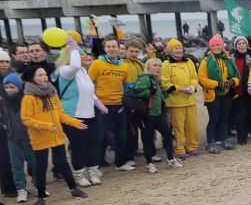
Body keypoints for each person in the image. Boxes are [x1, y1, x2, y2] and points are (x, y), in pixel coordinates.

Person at [19, 65, 88, 205]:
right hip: (40, 138)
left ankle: (73, 189)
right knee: (41, 167)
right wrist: (46, 126)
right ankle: (41, 196)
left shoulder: (52, 93)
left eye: (45, 74)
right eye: (40, 75)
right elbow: (26, 119)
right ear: (32, 78)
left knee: (63, 163)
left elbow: (60, 114)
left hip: (56, 135)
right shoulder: (29, 98)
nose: (44, 77)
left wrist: (75, 122)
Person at [54, 37, 107, 186]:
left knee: (92, 145)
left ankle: (93, 171)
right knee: (78, 146)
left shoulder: (84, 71)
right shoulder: (65, 70)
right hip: (73, 116)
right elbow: (75, 65)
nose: (85, 55)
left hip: (89, 114)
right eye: (81, 53)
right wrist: (73, 46)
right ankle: (79, 174)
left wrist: (98, 103)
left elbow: (90, 91)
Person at [88, 37, 134, 170]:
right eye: (109, 47)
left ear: (119, 49)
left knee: (121, 135)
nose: (112, 49)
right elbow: (89, 84)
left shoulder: (124, 66)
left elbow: (127, 86)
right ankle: (98, 163)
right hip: (101, 105)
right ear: (104, 49)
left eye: (114, 46)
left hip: (119, 104)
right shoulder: (97, 64)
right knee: (100, 135)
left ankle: (120, 162)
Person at [132, 58, 183, 172]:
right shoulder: (145, 78)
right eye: (155, 65)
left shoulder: (155, 79)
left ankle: (170, 158)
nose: (158, 68)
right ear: (148, 67)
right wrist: (150, 91)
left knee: (167, 134)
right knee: (148, 138)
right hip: (147, 114)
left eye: (159, 66)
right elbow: (136, 92)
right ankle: (149, 163)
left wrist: (166, 93)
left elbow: (157, 96)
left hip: (157, 113)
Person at [198, 34, 239, 153]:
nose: (216, 47)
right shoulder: (206, 61)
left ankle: (224, 140)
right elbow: (202, 79)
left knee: (225, 118)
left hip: (226, 93)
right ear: (210, 47)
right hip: (213, 94)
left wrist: (232, 82)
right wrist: (217, 84)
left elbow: (236, 76)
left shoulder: (227, 60)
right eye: (213, 45)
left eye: (218, 45)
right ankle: (210, 143)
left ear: (222, 46)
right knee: (214, 118)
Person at [1, 73, 38, 203]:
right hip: (12, 137)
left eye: (12, 86)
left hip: (29, 137)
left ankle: (39, 185)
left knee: (34, 162)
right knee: (16, 165)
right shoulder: (3, 100)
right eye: (6, 87)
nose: (9, 90)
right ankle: (21, 189)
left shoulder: (27, 99)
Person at [162, 39, 201, 158]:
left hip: (190, 99)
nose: (178, 51)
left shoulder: (189, 62)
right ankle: (180, 150)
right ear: (170, 50)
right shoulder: (166, 64)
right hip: (175, 102)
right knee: (178, 127)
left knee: (192, 125)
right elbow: (166, 83)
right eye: (175, 48)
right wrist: (180, 89)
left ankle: (192, 147)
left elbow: (195, 77)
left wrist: (192, 87)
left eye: (180, 48)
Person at [231, 36, 251, 144]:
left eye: (243, 43)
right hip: (239, 91)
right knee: (241, 115)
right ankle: (242, 138)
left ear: (246, 45)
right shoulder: (233, 58)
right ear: (236, 46)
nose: (241, 45)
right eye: (239, 44)